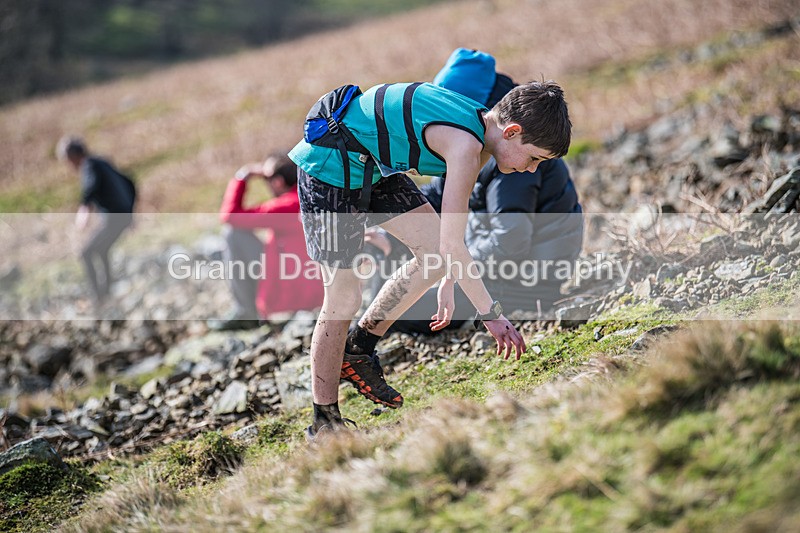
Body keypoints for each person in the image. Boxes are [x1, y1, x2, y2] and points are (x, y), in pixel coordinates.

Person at [288, 70, 572, 439]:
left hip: (371, 166)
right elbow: (455, 245)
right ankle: (324, 423)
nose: (531, 169)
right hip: (328, 164)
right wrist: (492, 315)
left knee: (434, 258)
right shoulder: (466, 149)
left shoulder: (478, 129)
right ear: (512, 131)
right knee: (343, 296)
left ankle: (359, 348)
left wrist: (449, 281)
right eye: (534, 158)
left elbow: (448, 243)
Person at [369, 48, 583, 333]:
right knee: (389, 284)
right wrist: (389, 237)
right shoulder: (478, 149)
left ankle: (358, 346)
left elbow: (511, 241)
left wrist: (455, 266)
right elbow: (438, 194)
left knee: (396, 307)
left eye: (449, 109)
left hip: (526, 281)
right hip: (502, 272)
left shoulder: (518, 161)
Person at [208, 153, 324, 330]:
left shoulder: (286, 206)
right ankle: (248, 311)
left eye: (265, 178)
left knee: (233, 234)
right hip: (314, 287)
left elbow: (229, 216)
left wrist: (242, 177)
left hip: (292, 296)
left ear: (278, 182)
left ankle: (246, 312)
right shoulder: (309, 198)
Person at [56, 136, 135, 307]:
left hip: (114, 218)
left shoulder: (89, 165)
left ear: (73, 155)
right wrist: (130, 212)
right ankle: (106, 293)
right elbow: (130, 182)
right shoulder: (102, 161)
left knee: (85, 253)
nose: (69, 165)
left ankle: (98, 297)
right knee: (101, 250)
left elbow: (91, 187)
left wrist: (84, 209)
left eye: (67, 160)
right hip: (121, 216)